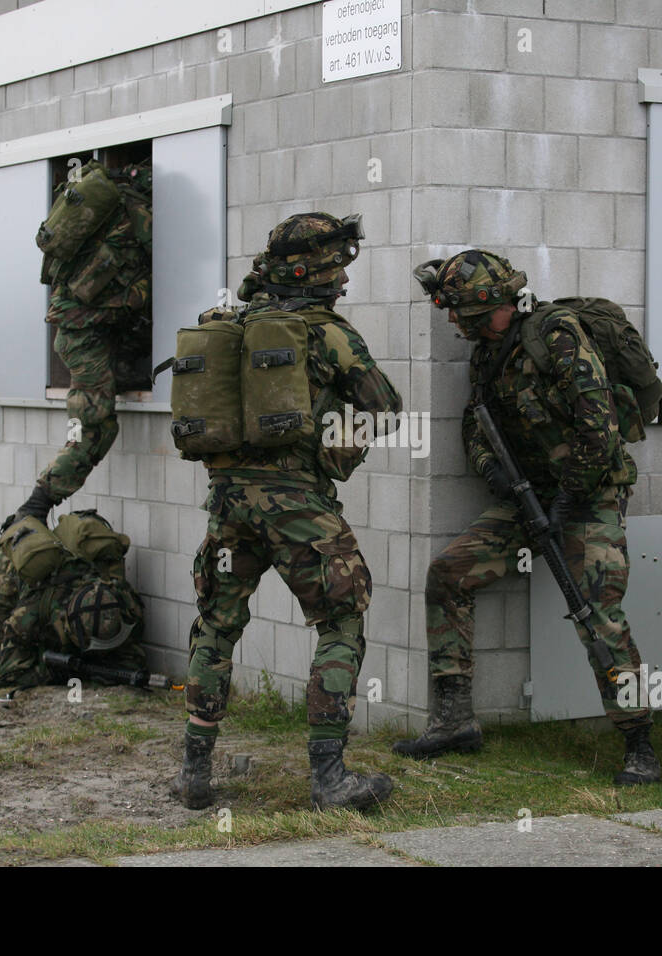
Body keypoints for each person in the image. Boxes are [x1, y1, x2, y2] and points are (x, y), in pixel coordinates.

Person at [396, 249, 662, 786]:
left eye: (459, 310)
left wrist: (568, 497)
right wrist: (494, 473)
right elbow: (477, 426)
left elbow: (600, 427)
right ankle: (453, 722)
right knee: (447, 575)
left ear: (490, 303)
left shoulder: (556, 334)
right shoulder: (488, 353)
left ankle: (639, 743)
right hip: (528, 498)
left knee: (598, 613)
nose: (453, 322)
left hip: (589, 496)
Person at [170, 212, 404, 812]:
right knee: (342, 618)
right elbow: (383, 404)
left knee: (217, 626)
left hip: (227, 505)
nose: (344, 281)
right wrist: (336, 452)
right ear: (321, 274)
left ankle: (194, 772)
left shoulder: (231, 326)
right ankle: (329, 776)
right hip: (299, 506)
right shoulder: (327, 333)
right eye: (338, 270)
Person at [15, 160, 153, 523]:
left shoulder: (109, 212)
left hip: (85, 324)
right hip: (83, 331)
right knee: (93, 425)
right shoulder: (134, 212)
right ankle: (37, 502)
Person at [0, 509, 147, 699]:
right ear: (68, 629)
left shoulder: (120, 599)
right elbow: (10, 671)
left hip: (67, 559)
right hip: (10, 572)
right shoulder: (29, 614)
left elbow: (133, 656)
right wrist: (52, 673)